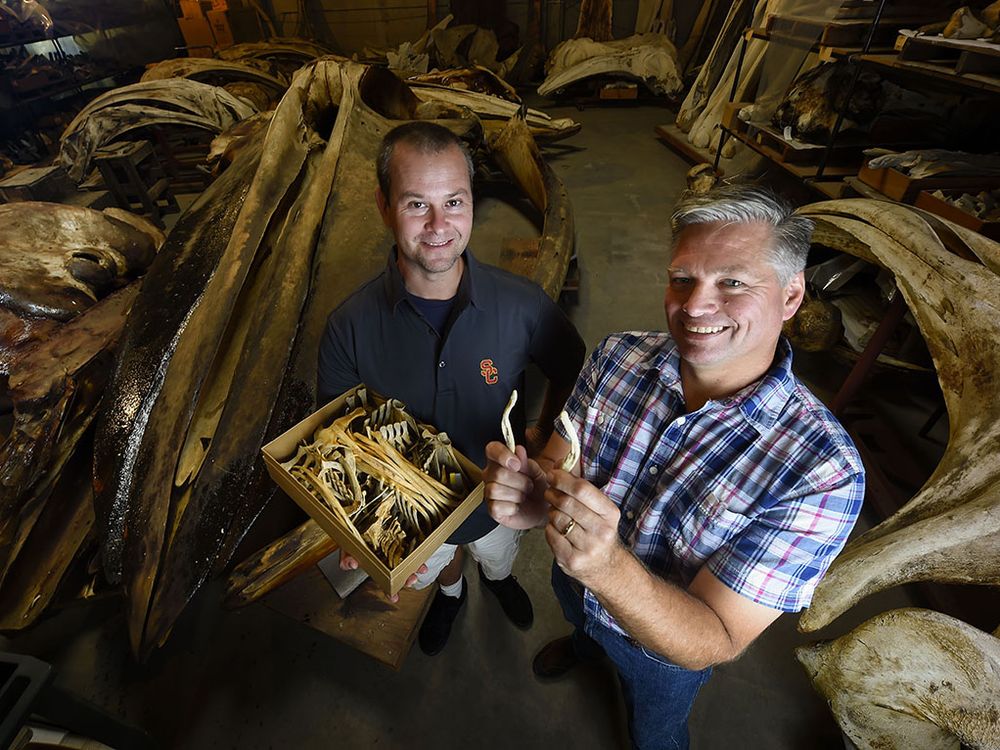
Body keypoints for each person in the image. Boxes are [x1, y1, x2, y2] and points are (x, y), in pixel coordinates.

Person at [483, 184, 865, 749]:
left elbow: (718, 635)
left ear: (790, 298)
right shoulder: (617, 357)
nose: (693, 306)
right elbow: (563, 453)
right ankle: (587, 645)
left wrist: (608, 569)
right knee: (582, 617)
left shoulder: (822, 473)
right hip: (573, 583)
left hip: (662, 655)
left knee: (656, 728)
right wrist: (537, 485)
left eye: (732, 283)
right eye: (682, 278)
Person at [317, 121, 585, 656]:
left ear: (471, 202)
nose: (439, 226)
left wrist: (545, 434)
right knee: (442, 568)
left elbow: (573, 367)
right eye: (417, 204)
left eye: (454, 202)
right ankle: (452, 592)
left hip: (497, 507)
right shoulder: (347, 328)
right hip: (414, 522)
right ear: (383, 205)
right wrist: (357, 533)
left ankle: (499, 579)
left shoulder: (523, 305)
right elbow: (337, 440)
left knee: (497, 554)